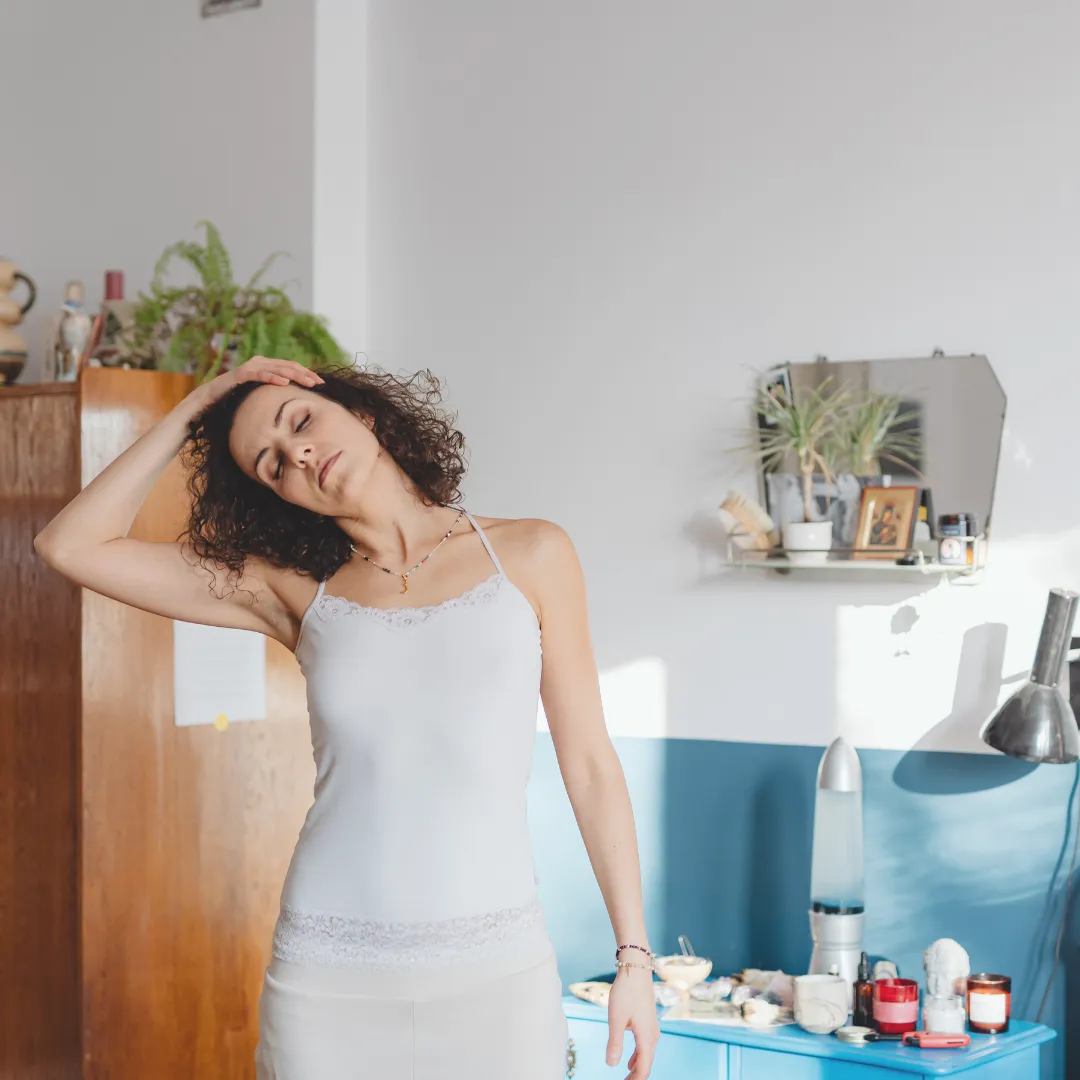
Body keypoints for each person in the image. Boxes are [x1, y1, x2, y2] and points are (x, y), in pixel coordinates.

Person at [34, 356, 659, 1080]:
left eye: (300, 422)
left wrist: (634, 960)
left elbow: (589, 767)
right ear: (280, 497)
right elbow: (68, 546)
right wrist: (197, 404)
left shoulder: (532, 553)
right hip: (327, 984)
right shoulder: (291, 590)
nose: (295, 455)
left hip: (498, 977)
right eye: (272, 465)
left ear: (362, 414)